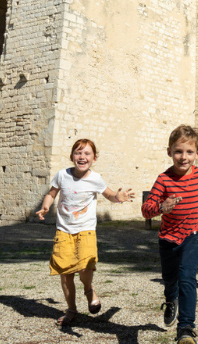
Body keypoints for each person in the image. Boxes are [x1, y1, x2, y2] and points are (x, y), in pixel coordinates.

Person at [36, 138, 135, 326]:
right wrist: (45, 207)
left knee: (85, 267)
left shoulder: (95, 179)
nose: (82, 157)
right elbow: (52, 193)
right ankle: (71, 310)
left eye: (87, 153)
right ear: (72, 156)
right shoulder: (62, 175)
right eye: (78, 153)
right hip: (64, 231)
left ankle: (89, 290)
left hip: (86, 230)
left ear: (94, 158)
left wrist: (119, 197)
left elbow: (109, 195)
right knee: (66, 273)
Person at [141, 125, 198, 344]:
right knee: (170, 279)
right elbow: (146, 209)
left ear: (197, 154)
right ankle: (170, 299)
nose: (184, 157)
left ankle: (186, 328)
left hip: (194, 235)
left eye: (189, 152)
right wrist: (160, 207)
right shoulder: (164, 179)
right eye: (178, 151)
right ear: (169, 152)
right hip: (168, 238)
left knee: (187, 276)